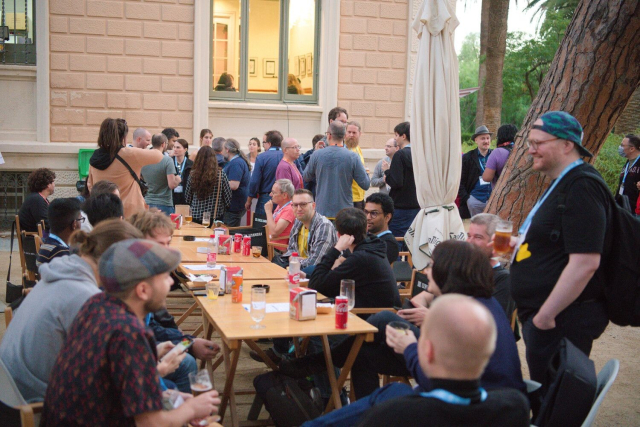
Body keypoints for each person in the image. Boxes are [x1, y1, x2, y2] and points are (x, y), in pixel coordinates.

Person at [282, 241, 526, 405]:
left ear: (448, 272)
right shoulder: (468, 301)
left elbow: (437, 382)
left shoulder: (463, 314)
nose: (426, 271)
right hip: (483, 397)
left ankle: (321, 363)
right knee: (362, 353)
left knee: (385, 319)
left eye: (431, 266)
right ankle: (357, 404)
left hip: (475, 404)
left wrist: (409, 347)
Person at [41, 239, 221, 426]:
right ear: (143, 290)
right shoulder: (131, 333)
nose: (170, 282)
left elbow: (112, 385)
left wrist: (170, 396)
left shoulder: (96, 305)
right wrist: (191, 409)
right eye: (165, 277)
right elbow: (150, 424)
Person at [509, 111, 611, 388]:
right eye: (529, 142)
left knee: (555, 406)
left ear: (567, 144)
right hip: (547, 319)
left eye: (538, 143)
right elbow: (558, 242)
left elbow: (586, 262)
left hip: (560, 322)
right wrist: (520, 245)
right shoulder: (563, 182)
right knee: (546, 400)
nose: (531, 150)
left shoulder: (583, 186)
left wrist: (544, 318)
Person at [0, 220, 143, 402]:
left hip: (13, 393)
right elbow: (102, 373)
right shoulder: (85, 296)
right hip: (37, 404)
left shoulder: (59, 273)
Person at [355, 296, 529, 427]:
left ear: (428, 351)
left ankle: (334, 357)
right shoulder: (516, 407)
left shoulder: (392, 414)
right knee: (367, 356)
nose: (427, 272)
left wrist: (410, 348)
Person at [128, 210, 221, 393]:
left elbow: (156, 326)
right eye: (159, 244)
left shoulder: (146, 272)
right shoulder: (133, 280)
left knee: (185, 357)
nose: (167, 250)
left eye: (168, 243)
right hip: (132, 369)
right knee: (186, 363)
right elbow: (147, 335)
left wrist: (189, 342)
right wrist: (188, 344)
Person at [309, 208, 399, 309]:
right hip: (378, 312)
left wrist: (336, 249)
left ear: (339, 235)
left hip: (370, 318)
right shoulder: (372, 246)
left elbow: (315, 285)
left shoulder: (361, 258)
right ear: (366, 229)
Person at [88, 118, 163, 218]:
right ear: (124, 137)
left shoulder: (94, 157)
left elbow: (90, 186)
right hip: (129, 214)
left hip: (103, 214)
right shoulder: (128, 154)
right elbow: (157, 156)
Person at [303, 121, 370, 218]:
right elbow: (365, 184)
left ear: (329, 136)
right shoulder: (353, 157)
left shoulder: (317, 155)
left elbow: (306, 176)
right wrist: (366, 171)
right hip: (344, 213)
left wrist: (315, 153)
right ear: (344, 136)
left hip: (322, 211)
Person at [277, 189, 337, 277]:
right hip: (298, 271)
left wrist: (294, 261)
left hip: (318, 277)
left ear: (313, 205)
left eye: (303, 204)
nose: (299, 209)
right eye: (295, 205)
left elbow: (315, 262)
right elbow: (291, 250)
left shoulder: (324, 226)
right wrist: (295, 260)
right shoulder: (298, 221)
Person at [467, 213, 516, 320]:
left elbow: (492, 321)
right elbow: (428, 294)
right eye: (469, 236)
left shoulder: (504, 279)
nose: (469, 242)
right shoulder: (462, 269)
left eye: (478, 237)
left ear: (494, 242)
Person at [384, 122, 419, 240]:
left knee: (397, 242)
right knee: (410, 243)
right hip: (417, 206)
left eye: (396, 135)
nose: (395, 138)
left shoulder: (400, 155)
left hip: (400, 206)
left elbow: (396, 182)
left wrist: (387, 172)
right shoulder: (419, 154)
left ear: (403, 136)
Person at [185, 146, 232, 224]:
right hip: (214, 216)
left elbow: (188, 198)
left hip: (196, 215)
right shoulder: (221, 175)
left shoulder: (193, 174)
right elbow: (227, 198)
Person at [141, 133, 182, 215]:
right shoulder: (167, 160)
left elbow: (140, 178)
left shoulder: (143, 159)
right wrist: (178, 179)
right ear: (163, 144)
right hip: (164, 203)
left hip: (147, 201)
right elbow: (171, 185)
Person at [36, 198, 83, 267]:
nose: (81, 223)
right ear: (74, 224)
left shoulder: (46, 246)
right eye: (80, 219)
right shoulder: (61, 253)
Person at [459, 125, 494, 218]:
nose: (486, 141)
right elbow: (460, 180)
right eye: (483, 138)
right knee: (477, 227)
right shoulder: (468, 157)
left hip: (493, 199)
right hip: (475, 200)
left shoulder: (495, 155)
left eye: (488, 138)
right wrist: (467, 199)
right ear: (476, 140)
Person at [246, 130, 284, 216]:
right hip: (285, 199)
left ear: (269, 143)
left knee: (262, 227)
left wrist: (249, 200)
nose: (263, 145)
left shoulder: (262, 157)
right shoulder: (289, 155)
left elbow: (255, 181)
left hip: (266, 198)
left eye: (263, 142)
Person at [222, 138, 251, 226]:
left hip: (234, 205)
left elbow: (234, 185)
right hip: (235, 203)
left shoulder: (236, 163)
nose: (222, 151)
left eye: (223, 149)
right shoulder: (237, 161)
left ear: (227, 150)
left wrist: (218, 183)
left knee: (229, 232)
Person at [364, 193, 399, 264]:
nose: (368, 217)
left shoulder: (389, 244)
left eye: (373, 213)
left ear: (387, 217)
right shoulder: (364, 237)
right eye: (366, 212)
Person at [19, 168, 56, 232]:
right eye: (53, 182)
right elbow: (46, 223)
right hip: (35, 238)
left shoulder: (38, 198)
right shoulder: (36, 200)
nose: (54, 185)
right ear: (48, 184)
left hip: (39, 235)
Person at [264, 179, 295, 246]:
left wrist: (268, 212)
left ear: (284, 195)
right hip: (269, 243)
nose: (270, 194)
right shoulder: (280, 206)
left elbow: (274, 233)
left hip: (276, 248)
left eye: (274, 192)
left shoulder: (289, 209)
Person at [345, 121, 368, 209]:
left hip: (360, 196)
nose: (351, 135)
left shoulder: (357, 148)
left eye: (354, 133)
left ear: (360, 134)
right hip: (349, 198)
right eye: (349, 132)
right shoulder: (344, 149)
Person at [617, 133, 640, 215]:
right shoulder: (628, 163)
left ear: (632, 149)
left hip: (635, 211)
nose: (620, 148)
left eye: (622, 145)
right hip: (622, 207)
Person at [172, 138, 193, 207]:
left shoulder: (191, 164)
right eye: (174, 147)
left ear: (185, 149)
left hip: (185, 196)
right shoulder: (169, 162)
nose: (175, 149)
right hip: (172, 196)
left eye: (178, 147)